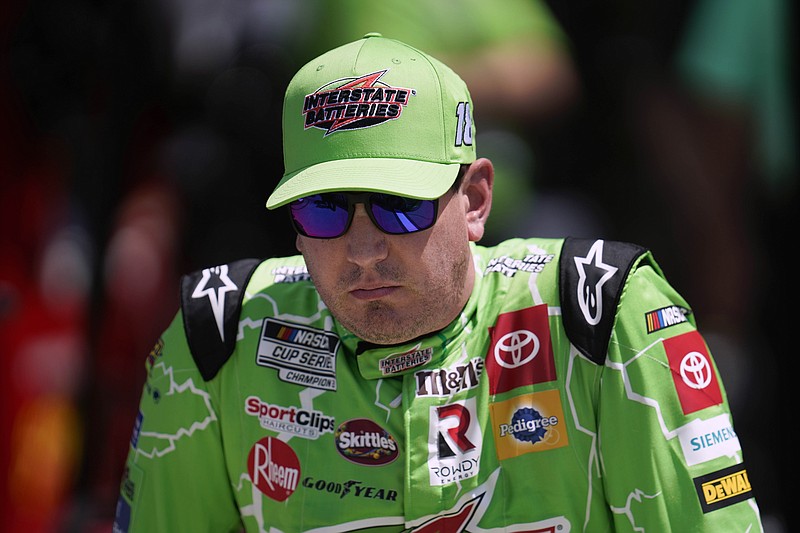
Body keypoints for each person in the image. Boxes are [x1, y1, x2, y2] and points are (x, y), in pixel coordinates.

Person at [113, 33, 763, 532]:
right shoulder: (218, 338)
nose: (363, 250)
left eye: (401, 205)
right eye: (325, 209)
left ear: (476, 199)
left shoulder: (605, 317)